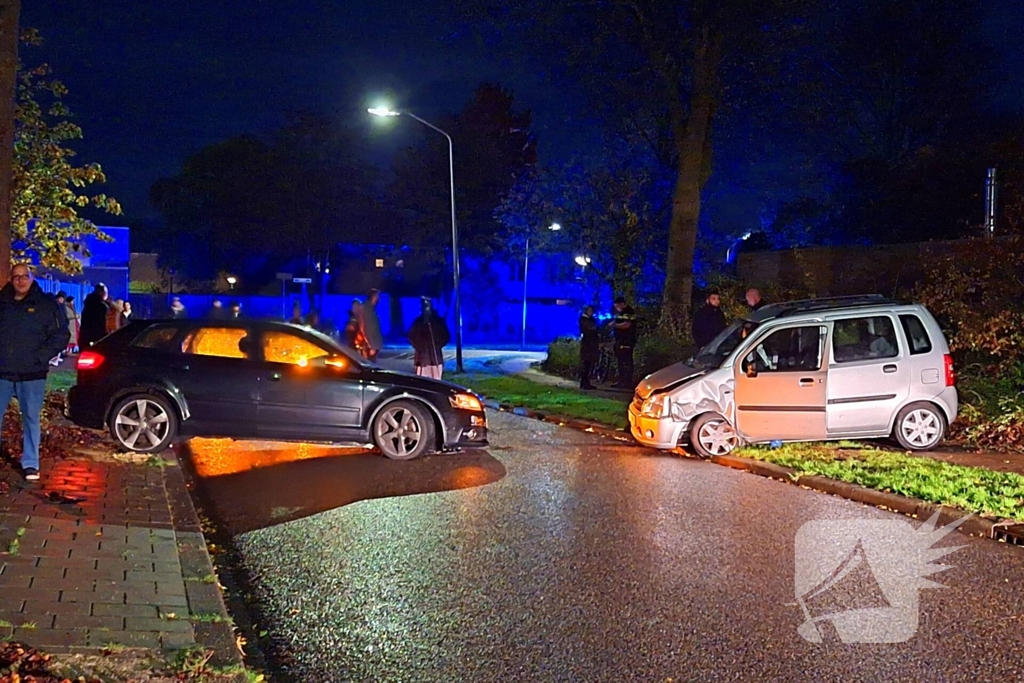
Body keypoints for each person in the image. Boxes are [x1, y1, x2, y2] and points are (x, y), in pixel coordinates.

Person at [0, 264, 70, 480]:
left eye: (24, 276)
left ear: (32, 277)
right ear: (11, 279)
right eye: (16, 277)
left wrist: (40, 357)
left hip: (32, 373)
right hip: (2, 371)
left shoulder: (46, 304)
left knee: (31, 418)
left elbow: (60, 335)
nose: (20, 281)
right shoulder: (2, 303)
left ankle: (30, 463)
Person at [408, 297, 449, 380]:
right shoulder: (418, 322)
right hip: (422, 358)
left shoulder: (438, 321)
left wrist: (437, 345)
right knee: (422, 380)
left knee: (435, 379)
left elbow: (445, 336)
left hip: (435, 357)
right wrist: (419, 346)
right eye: (424, 305)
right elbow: (411, 336)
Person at [611, 297, 636, 389]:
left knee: (626, 361)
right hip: (620, 340)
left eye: (617, 306)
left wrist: (615, 325)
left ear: (621, 304)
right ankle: (621, 381)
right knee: (621, 362)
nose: (616, 308)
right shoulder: (621, 313)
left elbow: (627, 325)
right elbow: (619, 320)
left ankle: (627, 382)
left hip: (626, 340)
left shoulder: (629, 312)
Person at [79, 283, 109, 348]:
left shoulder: (87, 304)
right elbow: (101, 323)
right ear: (102, 293)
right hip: (97, 337)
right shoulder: (102, 307)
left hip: (85, 335)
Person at [578, 305, 599, 390]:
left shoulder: (591, 319)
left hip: (592, 344)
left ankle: (586, 382)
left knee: (589, 364)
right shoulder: (584, 320)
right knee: (586, 364)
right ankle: (584, 382)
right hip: (587, 344)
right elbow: (591, 329)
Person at [361, 289, 384, 361]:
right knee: (370, 364)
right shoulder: (367, 309)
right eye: (377, 296)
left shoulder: (371, 308)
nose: (378, 298)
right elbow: (367, 328)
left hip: (374, 343)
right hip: (372, 345)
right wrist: (371, 346)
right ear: (373, 297)